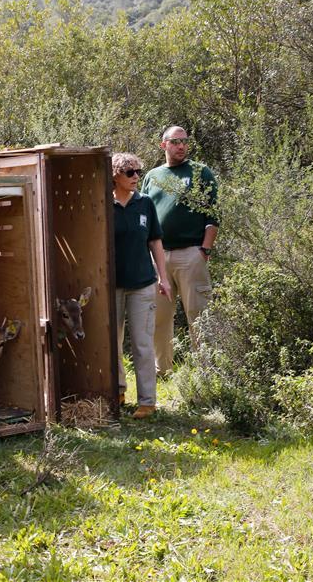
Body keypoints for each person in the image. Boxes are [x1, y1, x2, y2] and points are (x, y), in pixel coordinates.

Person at [141, 126, 219, 376]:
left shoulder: (199, 172)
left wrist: (204, 250)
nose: (182, 146)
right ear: (163, 145)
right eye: (175, 142)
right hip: (158, 258)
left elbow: (213, 216)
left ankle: (206, 373)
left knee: (199, 315)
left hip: (190, 255)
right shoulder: (152, 176)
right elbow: (143, 214)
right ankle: (162, 371)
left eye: (185, 142)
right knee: (159, 318)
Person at [112, 152, 171, 419]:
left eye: (138, 171)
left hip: (143, 284)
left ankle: (147, 401)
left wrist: (164, 277)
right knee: (112, 342)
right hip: (111, 285)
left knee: (142, 343)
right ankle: (118, 391)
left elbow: (155, 241)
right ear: (115, 175)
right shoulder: (102, 204)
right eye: (130, 173)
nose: (137, 177)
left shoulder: (145, 203)